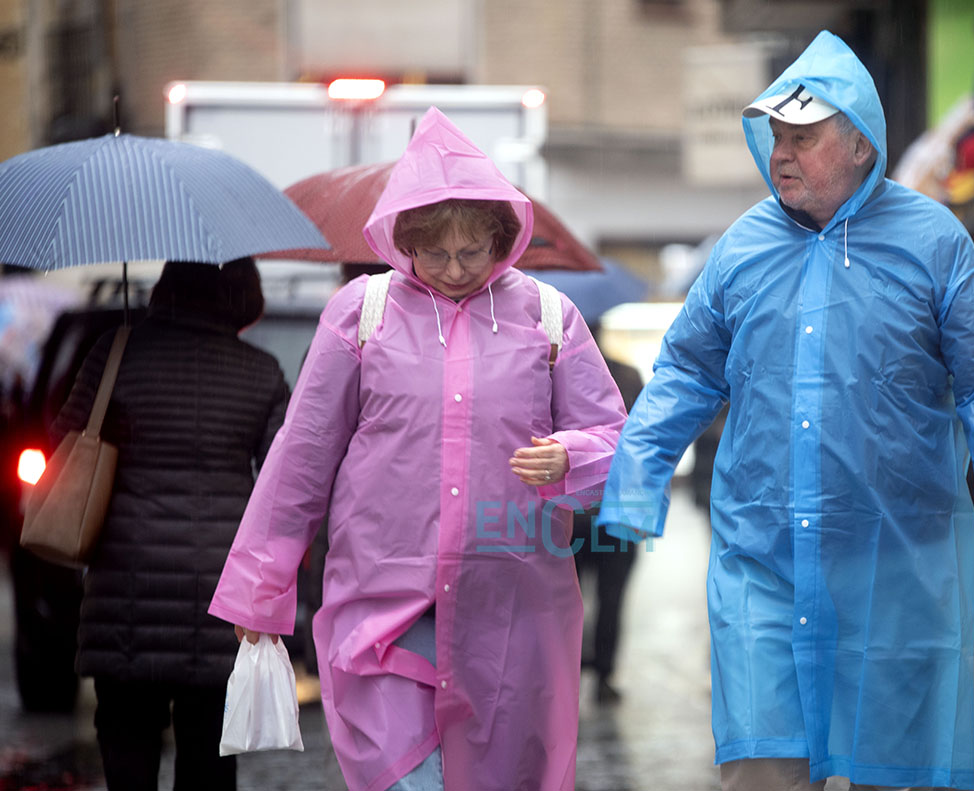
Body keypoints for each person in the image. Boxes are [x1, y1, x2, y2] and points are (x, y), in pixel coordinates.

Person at [596, 31, 974, 791]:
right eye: (775, 136)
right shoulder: (741, 249)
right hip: (762, 559)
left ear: (861, 145)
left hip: (897, 561)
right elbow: (683, 369)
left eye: (802, 137)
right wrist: (633, 483)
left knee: (893, 769)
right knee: (761, 764)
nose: (781, 154)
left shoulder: (932, 241)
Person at [208, 107, 626, 791]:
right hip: (382, 604)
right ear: (402, 239)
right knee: (405, 776)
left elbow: (614, 436)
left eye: (471, 252)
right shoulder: (359, 313)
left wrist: (572, 455)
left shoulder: (549, 317)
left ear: (501, 239)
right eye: (435, 252)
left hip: (510, 607)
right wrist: (259, 592)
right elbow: (302, 455)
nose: (455, 269)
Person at [50, 258, 288, 791]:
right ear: (242, 296)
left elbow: (62, 439)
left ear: (167, 285)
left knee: (126, 745)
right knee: (208, 753)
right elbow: (284, 482)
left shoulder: (115, 354)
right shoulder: (261, 371)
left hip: (123, 587)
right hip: (220, 595)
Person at [570, 327, 644, 704]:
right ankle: (604, 675)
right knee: (612, 595)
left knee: (568, 599)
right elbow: (644, 443)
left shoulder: (555, 375)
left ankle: (568, 672)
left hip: (570, 511)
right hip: (619, 509)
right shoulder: (628, 375)